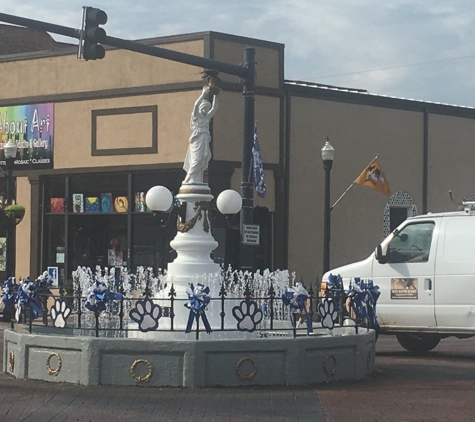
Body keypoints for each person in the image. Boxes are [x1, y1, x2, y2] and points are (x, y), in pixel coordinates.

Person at [183, 86, 219, 184]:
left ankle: (197, 180)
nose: (207, 110)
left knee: (203, 159)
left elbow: (214, 108)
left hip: (205, 139)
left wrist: (216, 95)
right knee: (196, 160)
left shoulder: (207, 117)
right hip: (197, 140)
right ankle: (188, 179)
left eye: (207, 108)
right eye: (205, 108)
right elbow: (195, 105)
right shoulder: (196, 117)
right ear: (201, 108)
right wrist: (203, 94)